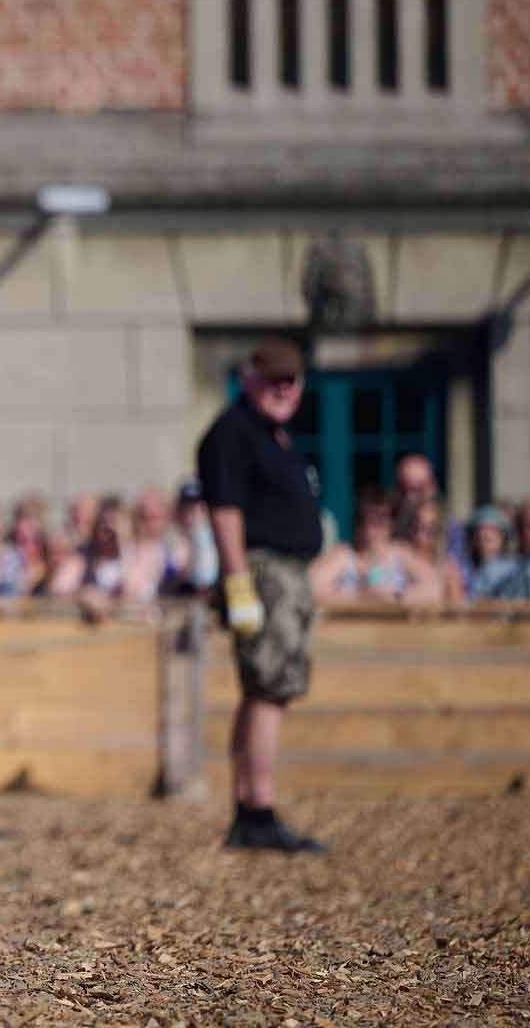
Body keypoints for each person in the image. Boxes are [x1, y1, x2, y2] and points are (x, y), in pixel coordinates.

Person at [196, 337, 327, 854]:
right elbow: (225, 509)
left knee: (265, 690)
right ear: (248, 376)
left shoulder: (274, 436)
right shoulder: (234, 433)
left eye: (292, 380)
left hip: (286, 574)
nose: (285, 389)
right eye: (274, 379)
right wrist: (237, 580)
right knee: (270, 689)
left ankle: (252, 807)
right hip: (263, 571)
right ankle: (258, 810)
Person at [311, 492, 408, 604]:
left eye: (380, 519)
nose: (371, 528)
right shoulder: (345, 555)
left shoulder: (401, 553)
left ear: (391, 523)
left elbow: (432, 586)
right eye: (364, 520)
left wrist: (396, 596)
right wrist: (362, 596)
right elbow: (312, 587)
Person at [465, 505, 525, 601]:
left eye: (492, 529)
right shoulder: (465, 568)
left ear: (503, 537)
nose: (484, 535)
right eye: (480, 530)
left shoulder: (515, 569)